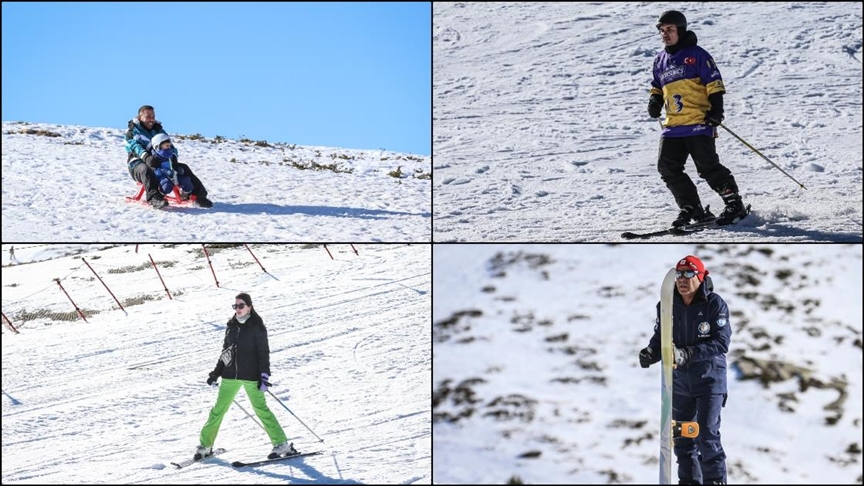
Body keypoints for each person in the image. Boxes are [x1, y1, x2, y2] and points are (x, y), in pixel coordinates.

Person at [649, 10, 749, 227]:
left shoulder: (697, 54)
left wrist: (717, 111)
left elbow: (714, 83)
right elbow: (657, 86)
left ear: (681, 30)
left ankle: (734, 204)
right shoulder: (660, 60)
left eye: (670, 29)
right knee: (667, 168)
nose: (665, 34)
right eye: (662, 30)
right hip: (673, 125)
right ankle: (692, 208)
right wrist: (655, 101)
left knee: (707, 167)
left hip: (698, 122)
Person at [639, 255, 731, 485]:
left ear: (700, 277)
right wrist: (651, 352)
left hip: (709, 382)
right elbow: (662, 337)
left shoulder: (714, 304)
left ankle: (715, 481)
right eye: (679, 274)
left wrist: (687, 353)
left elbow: (722, 342)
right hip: (680, 384)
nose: (682, 279)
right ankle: (689, 481)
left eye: (688, 274)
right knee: (684, 437)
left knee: (707, 435)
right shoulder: (667, 304)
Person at [195, 293, 296, 461]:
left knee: (261, 410)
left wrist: (264, 376)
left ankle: (281, 444)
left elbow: (263, 353)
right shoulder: (231, 326)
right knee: (217, 411)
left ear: (249, 306)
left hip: (251, 376)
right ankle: (205, 446)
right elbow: (225, 352)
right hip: (230, 376)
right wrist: (215, 373)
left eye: (241, 306)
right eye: (235, 306)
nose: (238, 309)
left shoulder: (257, 326)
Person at [124, 105, 213, 209]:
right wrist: (146, 157)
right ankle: (154, 198)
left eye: (153, 116)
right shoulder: (133, 131)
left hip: (161, 163)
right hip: (137, 164)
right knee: (146, 169)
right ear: (140, 117)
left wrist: (173, 156)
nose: (151, 119)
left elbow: (170, 145)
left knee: (183, 168)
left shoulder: (158, 129)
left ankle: (198, 195)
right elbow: (134, 146)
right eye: (148, 116)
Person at [149, 133, 196, 198]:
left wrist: (178, 169)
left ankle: (185, 194)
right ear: (158, 146)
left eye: (169, 146)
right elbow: (153, 170)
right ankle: (160, 196)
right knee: (166, 184)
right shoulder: (155, 158)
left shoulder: (171, 156)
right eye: (166, 146)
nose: (169, 147)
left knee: (186, 181)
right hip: (162, 178)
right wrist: (163, 171)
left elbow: (174, 165)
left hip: (174, 176)